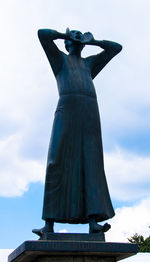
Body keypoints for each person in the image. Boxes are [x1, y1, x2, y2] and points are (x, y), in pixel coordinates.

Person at [33, 28, 122, 236]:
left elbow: (115, 49)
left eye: (79, 36)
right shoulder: (60, 60)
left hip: (89, 114)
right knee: (56, 162)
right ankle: (49, 225)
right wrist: (66, 36)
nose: (77, 38)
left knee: (91, 163)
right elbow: (42, 35)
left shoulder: (89, 64)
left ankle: (93, 222)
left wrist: (94, 41)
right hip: (67, 112)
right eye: (74, 36)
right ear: (66, 43)